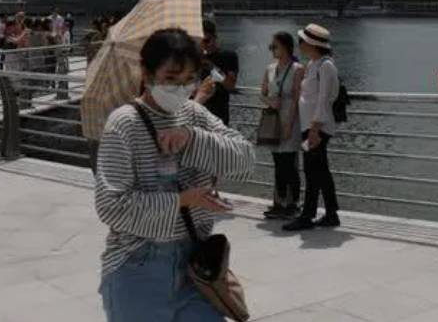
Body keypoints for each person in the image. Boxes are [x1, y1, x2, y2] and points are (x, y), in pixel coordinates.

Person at [95, 28, 255, 321]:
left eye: (188, 80)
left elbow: (245, 159)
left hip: (194, 266)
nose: (180, 89)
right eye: (170, 79)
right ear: (146, 72)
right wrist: (182, 200)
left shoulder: (193, 114)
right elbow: (110, 207)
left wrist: (193, 139)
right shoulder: (123, 124)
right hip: (137, 267)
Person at [283, 24, 341, 231]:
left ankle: (307, 216)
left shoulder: (326, 66)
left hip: (317, 128)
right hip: (311, 127)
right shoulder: (314, 64)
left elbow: (324, 99)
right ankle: (331, 213)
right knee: (321, 171)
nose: (300, 45)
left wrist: (315, 130)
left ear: (311, 44)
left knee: (312, 171)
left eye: (302, 42)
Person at [260, 32, 303, 219]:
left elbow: (296, 100)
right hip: (273, 118)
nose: (272, 49)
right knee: (278, 163)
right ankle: (279, 202)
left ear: (285, 47)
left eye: (274, 46)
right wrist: (270, 101)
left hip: (290, 119)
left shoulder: (297, 69)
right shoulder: (270, 69)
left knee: (289, 163)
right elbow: (261, 93)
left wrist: (289, 125)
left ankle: (293, 203)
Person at [197, 19, 239, 126]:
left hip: (219, 114)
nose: (204, 45)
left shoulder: (229, 56)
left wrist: (213, 69)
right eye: (201, 41)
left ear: (215, 37)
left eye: (207, 41)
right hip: (198, 113)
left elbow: (230, 85)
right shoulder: (195, 57)